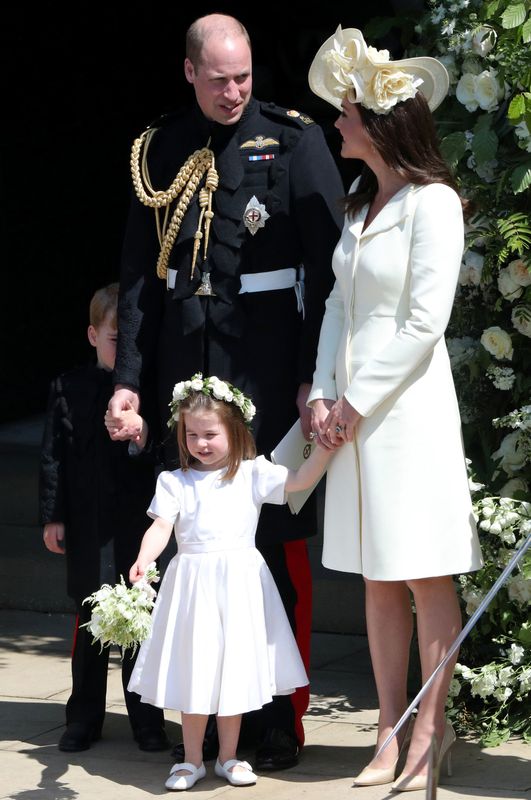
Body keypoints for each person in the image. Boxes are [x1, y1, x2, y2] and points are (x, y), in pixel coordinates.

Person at [107, 12, 344, 770]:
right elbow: (143, 281)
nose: (233, 91)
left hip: (268, 366)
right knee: (179, 539)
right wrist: (128, 385)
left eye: (242, 76)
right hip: (186, 360)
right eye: (218, 79)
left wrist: (315, 374)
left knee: (267, 544)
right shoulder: (161, 149)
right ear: (188, 72)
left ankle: (277, 715)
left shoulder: (295, 138)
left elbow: (327, 270)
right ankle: (172, 712)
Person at [306, 27, 483, 792]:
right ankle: (387, 727)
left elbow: (422, 323)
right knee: (378, 578)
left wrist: (354, 401)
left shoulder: (432, 203)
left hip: (404, 416)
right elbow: (339, 312)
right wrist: (320, 395)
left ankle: (429, 730)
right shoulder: (358, 206)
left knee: (421, 575)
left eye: (346, 111)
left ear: (380, 122)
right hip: (351, 416)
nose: (337, 122)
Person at [126, 375, 337, 791]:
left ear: (234, 432)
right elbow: (161, 527)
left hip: (239, 585)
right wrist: (143, 558)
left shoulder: (252, 475)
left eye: (210, 434)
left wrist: (326, 450)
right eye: (192, 435)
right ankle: (190, 760)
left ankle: (228, 756)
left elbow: (298, 481)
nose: (201, 443)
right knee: (196, 669)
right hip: (193, 587)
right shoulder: (175, 482)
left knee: (233, 670)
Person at [39, 283, 168, 754]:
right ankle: (84, 717)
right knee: (91, 621)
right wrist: (53, 517)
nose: (124, 352)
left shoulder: (145, 391)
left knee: (139, 620)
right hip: (88, 522)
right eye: (116, 340)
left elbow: (157, 454)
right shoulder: (68, 387)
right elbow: (53, 456)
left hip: (134, 520)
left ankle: (147, 719)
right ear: (94, 336)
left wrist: (140, 436)